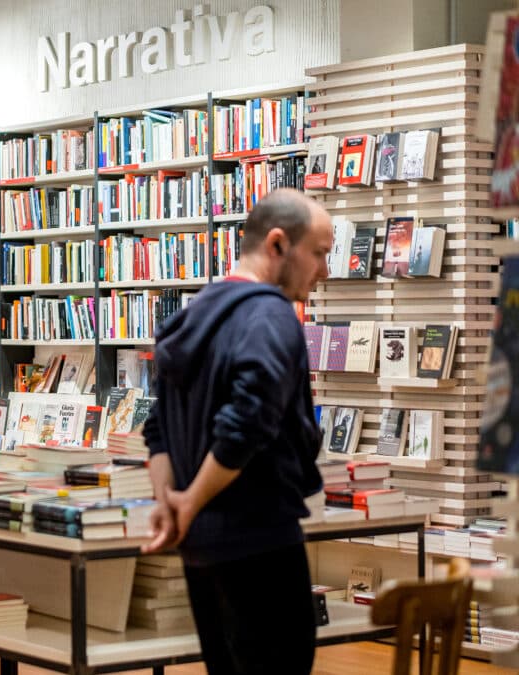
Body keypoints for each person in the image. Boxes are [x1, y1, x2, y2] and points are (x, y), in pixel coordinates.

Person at [141, 188, 333, 675]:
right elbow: (246, 422)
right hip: (260, 537)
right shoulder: (270, 315)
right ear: (277, 244)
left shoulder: (195, 312)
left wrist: (173, 502)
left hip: (199, 543)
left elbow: (158, 427)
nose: (324, 272)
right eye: (319, 254)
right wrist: (190, 499)